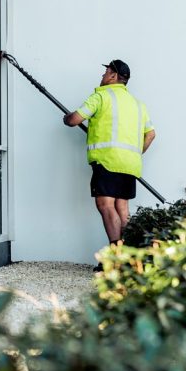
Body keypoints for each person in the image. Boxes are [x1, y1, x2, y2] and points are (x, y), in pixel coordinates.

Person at [63, 59, 155, 269]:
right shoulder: (138, 105)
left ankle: (116, 258)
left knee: (105, 205)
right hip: (130, 164)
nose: (102, 76)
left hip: (107, 161)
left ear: (113, 76)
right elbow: (151, 134)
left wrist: (66, 118)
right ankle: (129, 257)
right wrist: (134, 154)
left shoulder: (101, 96)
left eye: (105, 72)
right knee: (122, 207)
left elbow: (74, 120)